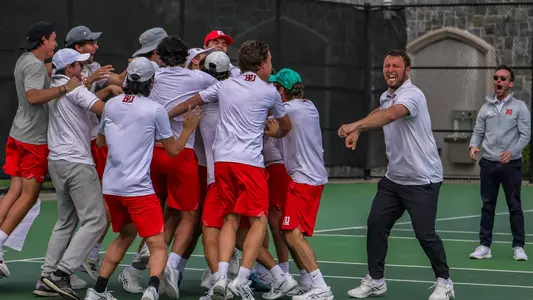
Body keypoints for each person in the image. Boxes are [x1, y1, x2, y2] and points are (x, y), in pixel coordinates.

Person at [167, 40, 292, 300]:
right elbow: (286, 126)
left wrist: (162, 115)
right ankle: (243, 279)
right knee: (258, 220)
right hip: (249, 164)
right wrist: (275, 132)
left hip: (222, 164)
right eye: (269, 61)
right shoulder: (269, 92)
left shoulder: (223, 87)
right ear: (261, 65)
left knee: (230, 219)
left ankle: (222, 278)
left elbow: (190, 102)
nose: (271, 65)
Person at [338, 50, 454, 300]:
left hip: (422, 179)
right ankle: (376, 280)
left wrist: (354, 126)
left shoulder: (412, 95)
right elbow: (380, 110)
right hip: (394, 180)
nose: (390, 70)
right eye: (387, 65)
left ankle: (445, 282)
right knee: (376, 224)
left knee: (425, 235)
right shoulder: (387, 96)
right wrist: (360, 130)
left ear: (407, 71)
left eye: (396, 66)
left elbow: (391, 115)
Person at [83, 57, 202, 300]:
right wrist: (189, 129)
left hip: (112, 188)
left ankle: (98, 291)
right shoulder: (154, 110)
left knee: (126, 234)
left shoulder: (111, 105)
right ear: (152, 82)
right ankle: (152, 290)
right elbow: (173, 150)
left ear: (127, 80)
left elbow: (101, 141)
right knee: (157, 244)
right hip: (138, 189)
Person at [0, 22, 79, 279]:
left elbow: (43, 74)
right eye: (54, 40)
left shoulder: (25, 60)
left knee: (14, 191)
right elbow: (34, 96)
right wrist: (65, 87)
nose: (56, 44)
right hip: (33, 140)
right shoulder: (34, 65)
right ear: (43, 40)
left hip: (17, 135)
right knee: (29, 196)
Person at [38, 48, 112, 300]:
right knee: (96, 220)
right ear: (69, 69)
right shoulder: (76, 89)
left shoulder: (55, 87)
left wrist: (95, 85)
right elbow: (103, 108)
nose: (84, 68)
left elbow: (85, 100)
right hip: (77, 162)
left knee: (66, 221)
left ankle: (46, 276)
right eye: (79, 65)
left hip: (56, 162)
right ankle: (61, 273)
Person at [268, 68, 333, 300]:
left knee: (292, 234)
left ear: (282, 90)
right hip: (311, 179)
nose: (273, 90)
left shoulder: (287, 110)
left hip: (303, 180)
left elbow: (267, 120)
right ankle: (307, 281)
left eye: (275, 87)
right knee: (290, 233)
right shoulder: (309, 106)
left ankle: (321, 287)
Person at [468, 65, 530, 261]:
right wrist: (473, 146)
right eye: (496, 78)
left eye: (503, 79)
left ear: (510, 84)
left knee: (514, 205)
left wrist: (512, 152)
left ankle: (518, 247)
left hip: (511, 165)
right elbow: (478, 132)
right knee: (487, 206)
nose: (498, 82)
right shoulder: (486, 108)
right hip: (488, 164)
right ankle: (484, 246)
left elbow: (525, 134)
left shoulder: (519, 107)